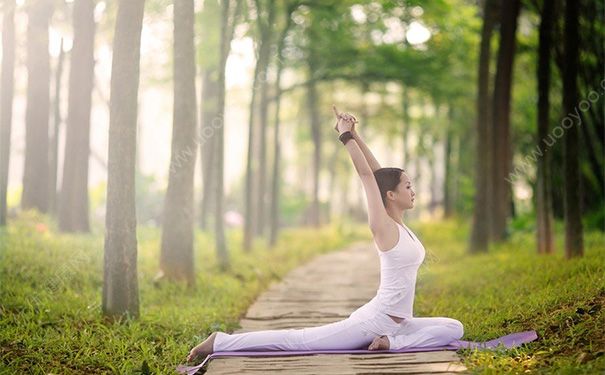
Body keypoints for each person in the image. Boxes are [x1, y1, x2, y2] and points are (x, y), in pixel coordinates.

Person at [186, 105, 463, 362]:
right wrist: (345, 138)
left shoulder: (400, 224)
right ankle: (219, 342)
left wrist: (355, 134)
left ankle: (392, 342)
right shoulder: (384, 227)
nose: (413, 191)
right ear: (391, 195)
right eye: (408, 186)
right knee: (299, 340)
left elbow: (378, 174)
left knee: (454, 327)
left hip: (401, 323)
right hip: (373, 321)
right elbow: (369, 177)